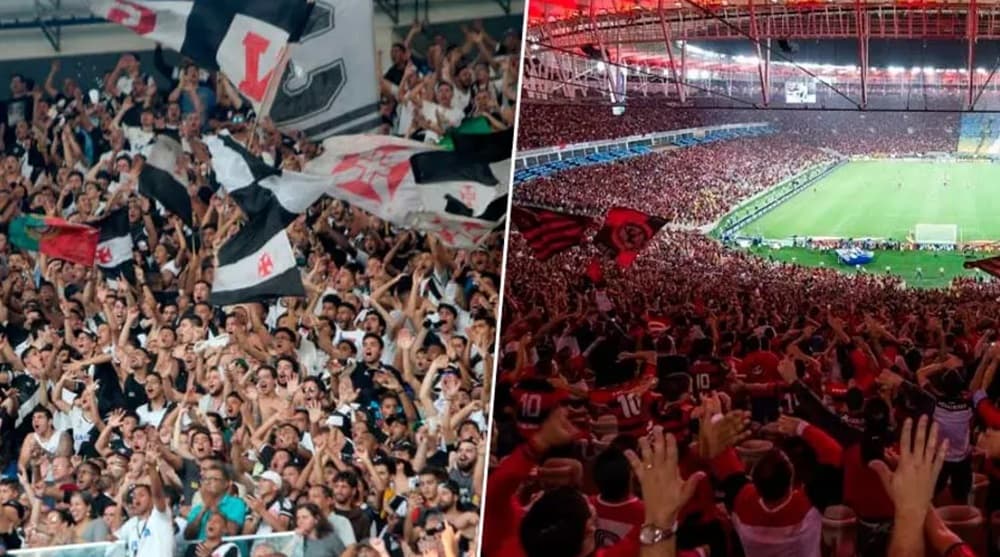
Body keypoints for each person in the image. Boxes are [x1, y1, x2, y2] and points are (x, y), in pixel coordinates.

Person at [114, 448, 175, 557]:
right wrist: (120, 500)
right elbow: (115, 534)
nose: (136, 500)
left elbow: (157, 494)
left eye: (141, 495)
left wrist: (152, 467)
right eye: (133, 496)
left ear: (152, 499)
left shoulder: (160, 517)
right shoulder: (131, 524)